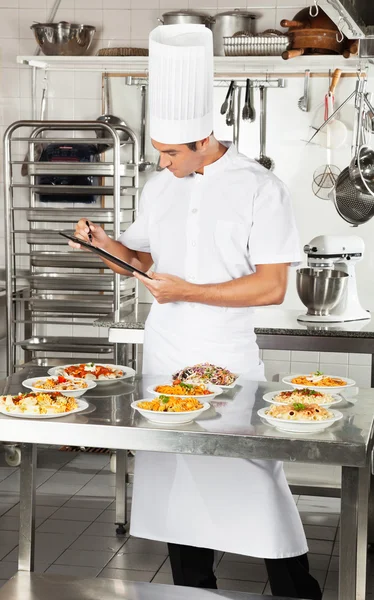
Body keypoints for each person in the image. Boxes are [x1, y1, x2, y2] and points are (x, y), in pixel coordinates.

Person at [70, 24, 322, 600]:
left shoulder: (260, 188)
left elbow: (270, 288)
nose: (162, 160)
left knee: (255, 478)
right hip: (166, 350)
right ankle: (193, 590)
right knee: (175, 477)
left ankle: (295, 589)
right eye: (159, 150)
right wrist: (104, 245)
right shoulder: (162, 186)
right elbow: (140, 261)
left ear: (206, 139)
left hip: (225, 356)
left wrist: (189, 291)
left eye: (171, 152)